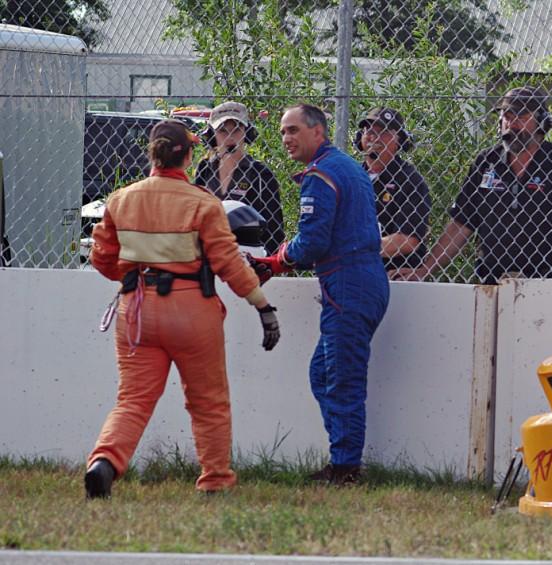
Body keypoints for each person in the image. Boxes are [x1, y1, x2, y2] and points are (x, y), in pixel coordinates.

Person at [84, 119, 280, 499]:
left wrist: (132, 277)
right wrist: (262, 306)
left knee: (133, 400)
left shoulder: (121, 199)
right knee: (208, 400)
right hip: (193, 310)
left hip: (137, 309)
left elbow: (102, 257)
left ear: (151, 153)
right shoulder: (203, 202)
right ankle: (215, 479)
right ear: (189, 156)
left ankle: (104, 463)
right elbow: (228, 263)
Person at [249, 104, 389, 485]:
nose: (286, 138)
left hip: (348, 284)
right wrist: (281, 258)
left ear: (318, 132)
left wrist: (275, 261)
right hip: (361, 280)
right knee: (323, 373)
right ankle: (343, 458)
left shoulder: (321, 174)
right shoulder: (346, 166)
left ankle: (345, 469)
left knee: (341, 379)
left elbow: (311, 243)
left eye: (293, 130)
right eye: (282, 132)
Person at [393, 86, 552, 284]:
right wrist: (425, 269)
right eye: (506, 117)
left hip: (547, 281)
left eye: (520, 118)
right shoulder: (487, 161)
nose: (511, 124)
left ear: (541, 121)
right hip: (490, 281)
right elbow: (460, 224)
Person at [195, 101, 285, 254]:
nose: (230, 137)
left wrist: (263, 261)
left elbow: (275, 231)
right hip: (210, 254)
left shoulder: (260, 173)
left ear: (247, 133)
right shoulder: (204, 169)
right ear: (211, 135)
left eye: (236, 129)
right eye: (222, 130)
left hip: (248, 255)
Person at [356, 107, 431, 271]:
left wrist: (353, 250)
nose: (373, 137)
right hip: (353, 270)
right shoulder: (351, 176)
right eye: (368, 130)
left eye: (383, 131)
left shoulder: (410, 180)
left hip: (394, 274)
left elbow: (408, 239)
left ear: (399, 140)